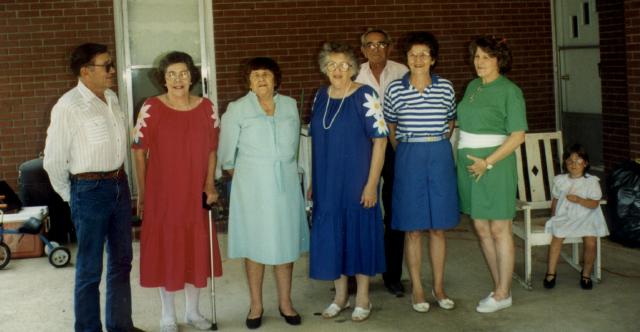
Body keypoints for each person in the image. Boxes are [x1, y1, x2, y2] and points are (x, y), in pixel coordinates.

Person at [43, 43, 140, 332]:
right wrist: (72, 196)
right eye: (106, 65)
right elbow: (53, 161)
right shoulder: (68, 106)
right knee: (89, 269)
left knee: (122, 261)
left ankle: (120, 325)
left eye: (111, 64)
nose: (112, 70)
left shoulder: (111, 98)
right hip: (88, 191)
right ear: (85, 71)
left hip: (119, 186)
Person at [132, 51, 222, 332]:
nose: (178, 79)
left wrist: (209, 184)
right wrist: (144, 193)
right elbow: (138, 152)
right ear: (163, 79)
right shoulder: (151, 107)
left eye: (183, 73)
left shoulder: (207, 107)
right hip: (163, 195)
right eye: (171, 74)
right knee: (167, 252)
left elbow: (211, 149)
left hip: (195, 192)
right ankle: (167, 315)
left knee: (194, 250)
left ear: (192, 76)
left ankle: (193, 312)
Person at [218, 57, 309, 329]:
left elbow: (296, 147)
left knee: (286, 244)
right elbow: (227, 156)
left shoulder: (290, 105)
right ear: (248, 81)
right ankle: (256, 305)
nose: (261, 79)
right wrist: (248, 177)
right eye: (255, 75)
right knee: (255, 246)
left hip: (286, 187)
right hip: (252, 189)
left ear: (275, 79)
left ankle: (285, 302)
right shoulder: (237, 109)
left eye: (266, 74)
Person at [309, 41, 387, 322]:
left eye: (344, 65)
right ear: (324, 68)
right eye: (332, 65)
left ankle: (363, 297)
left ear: (353, 68)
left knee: (359, 235)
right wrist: (313, 181)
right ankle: (340, 296)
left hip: (357, 181)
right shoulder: (320, 95)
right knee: (333, 237)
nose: (338, 70)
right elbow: (316, 140)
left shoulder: (365, 94)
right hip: (327, 182)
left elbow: (380, 142)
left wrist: (371, 184)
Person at [384, 31, 459, 312]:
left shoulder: (446, 88)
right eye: (413, 55)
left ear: (433, 59)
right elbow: (391, 128)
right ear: (406, 58)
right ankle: (417, 287)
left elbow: (450, 122)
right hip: (408, 155)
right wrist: (408, 150)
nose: (418, 59)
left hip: (438, 154)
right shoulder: (394, 89)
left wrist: (434, 143)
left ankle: (438, 287)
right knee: (413, 229)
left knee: (438, 228)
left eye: (423, 54)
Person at [456, 35, 527, 313]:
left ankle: (502, 293)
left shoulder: (510, 91)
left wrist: (487, 162)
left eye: (486, 57)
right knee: (481, 228)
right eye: (476, 57)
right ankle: (500, 286)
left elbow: (518, 136)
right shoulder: (473, 86)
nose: (480, 62)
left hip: (494, 166)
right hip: (469, 166)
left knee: (499, 228)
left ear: (499, 60)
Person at [355, 28, 409, 297]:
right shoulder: (355, 73)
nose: (376, 49)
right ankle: (356, 274)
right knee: (361, 210)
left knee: (394, 211)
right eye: (370, 45)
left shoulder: (403, 72)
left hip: (395, 146)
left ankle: (392, 275)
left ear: (389, 47)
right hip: (363, 149)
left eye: (381, 44)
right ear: (362, 49)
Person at [543, 144, 608, 290]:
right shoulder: (560, 180)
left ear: (585, 163)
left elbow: (594, 204)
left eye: (578, 161)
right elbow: (555, 200)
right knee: (557, 238)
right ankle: (551, 272)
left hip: (587, 217)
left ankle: (586, 274)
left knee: (591, 242)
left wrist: (579, 200)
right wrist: (553, 215)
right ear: (565, 163)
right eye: (570, 161)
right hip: (565, 217)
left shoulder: (591, 182)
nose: (574, 164)